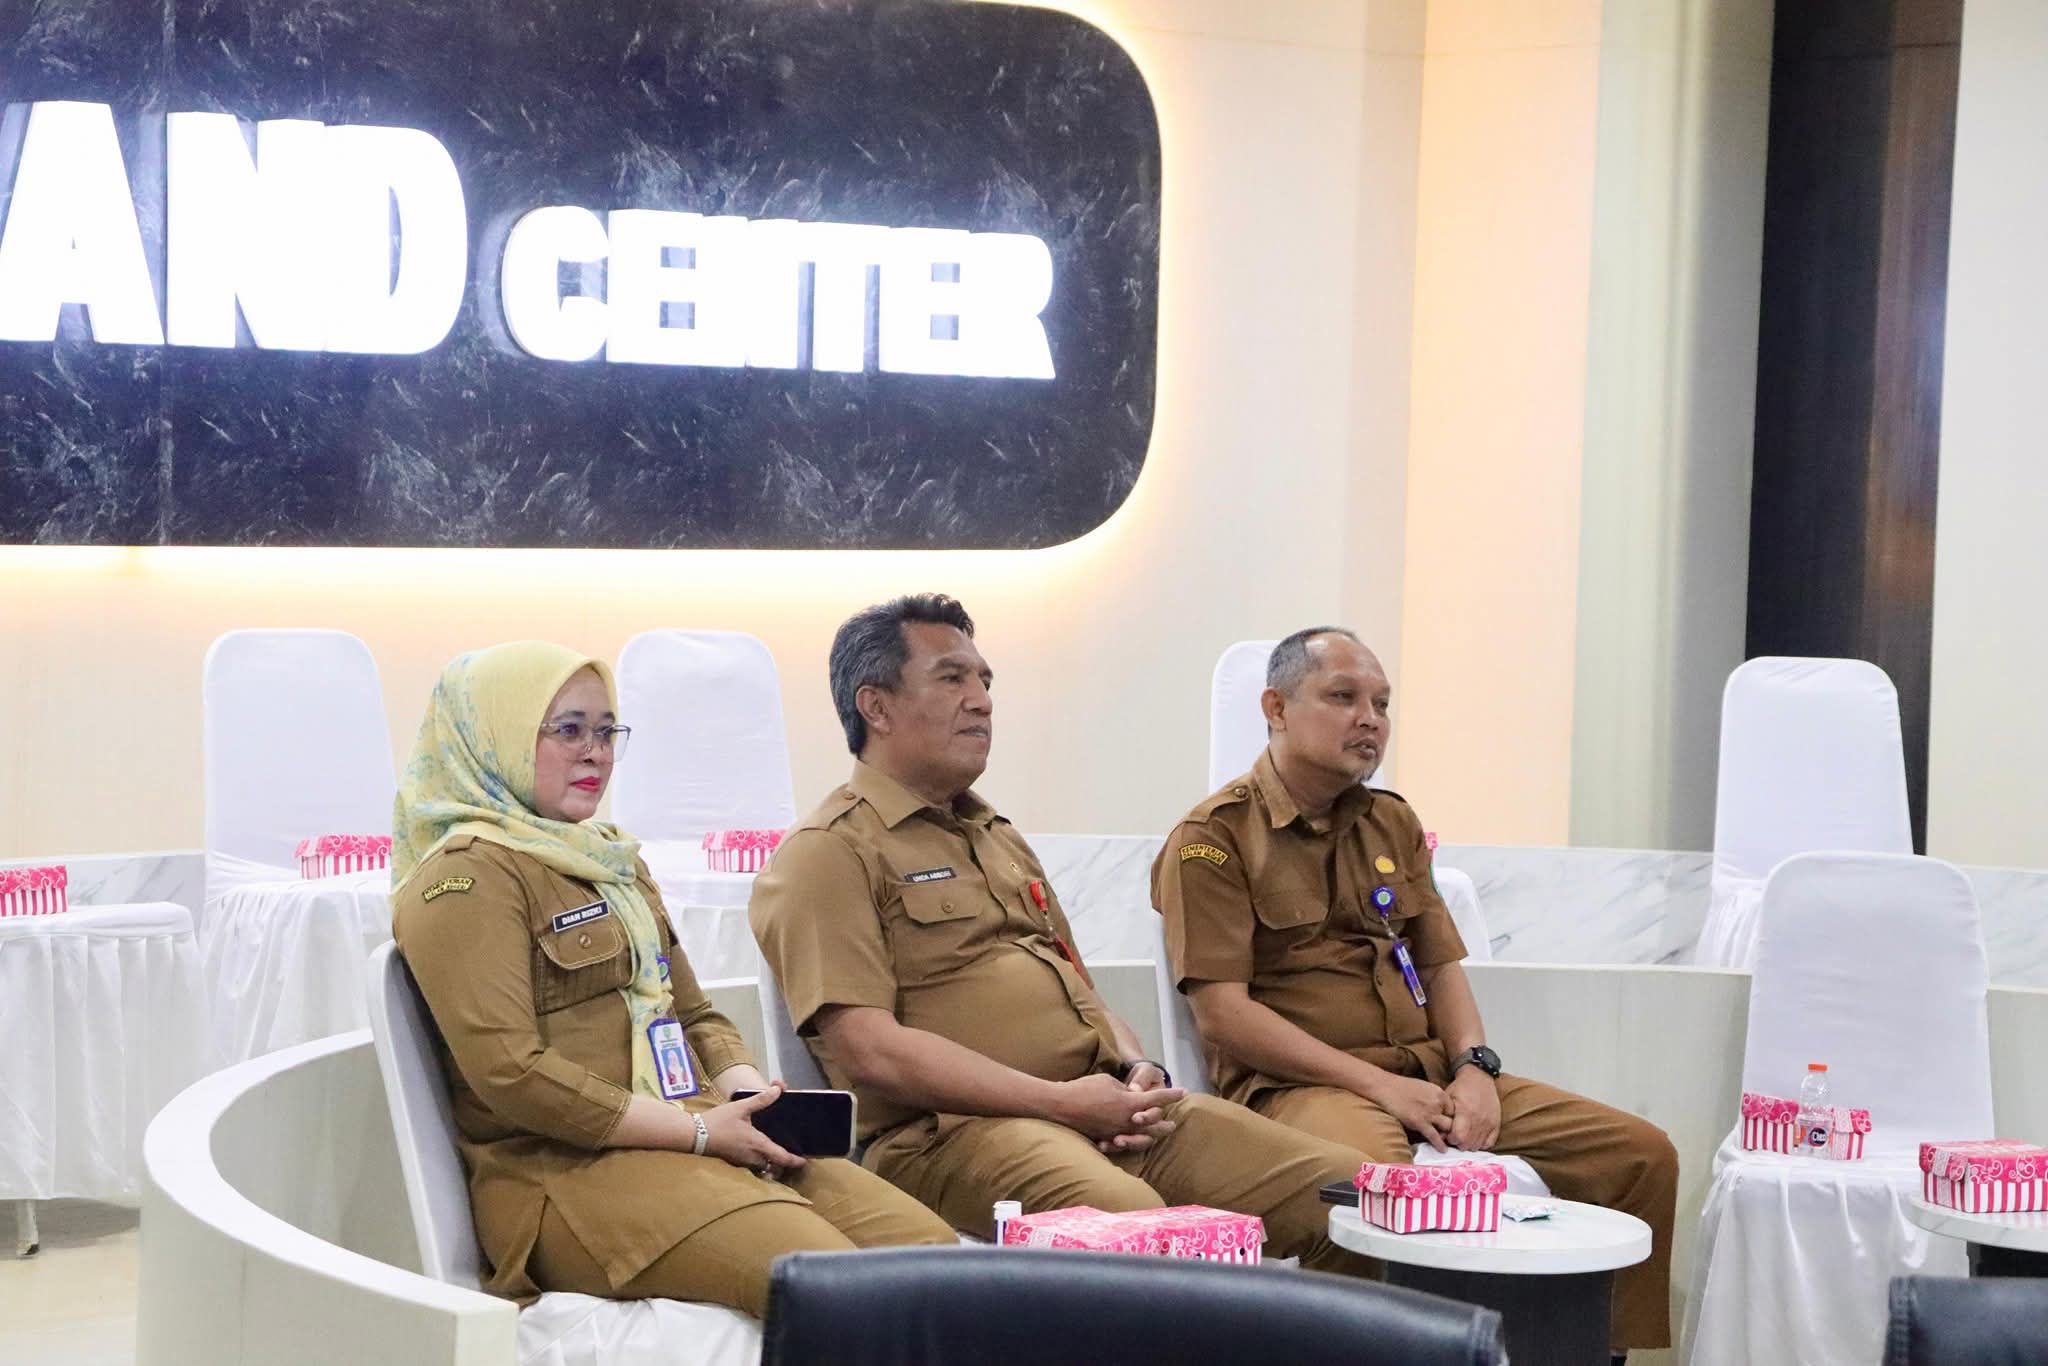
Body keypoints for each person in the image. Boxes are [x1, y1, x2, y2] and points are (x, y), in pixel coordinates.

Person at [749, 595, 1375, 1275]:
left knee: (1347, 1195)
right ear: (876, 706)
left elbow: (1079, 989)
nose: (982, 700)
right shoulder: (828, 851)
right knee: (1136, 1228)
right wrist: (1059, 1103)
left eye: (984, 680)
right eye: (952, 678)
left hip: (1101, 1108)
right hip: (952, 1135)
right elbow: (870, 1051)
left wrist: (1137, 1069)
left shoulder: (997, 837)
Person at [1152, 626, 1680, 1355]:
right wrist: (1381, 1087)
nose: (1370, 720)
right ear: (1276, 709)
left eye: (1382, 704)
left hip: (1428, 1075)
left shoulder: (1392, 822)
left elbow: (1439, 966)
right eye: (1343, 697)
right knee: (1374, 1189)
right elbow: (1223, 1016)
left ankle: (1596, 1353)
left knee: (1640, 1156)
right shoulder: (1213, 838)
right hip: (1302, 1088)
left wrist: (1476, 1069)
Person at [389, 641, 953, 1317]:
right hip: (563, 1176)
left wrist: (748, 1096)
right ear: (493, 738)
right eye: (568, 730)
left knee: (933, 1255)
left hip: (693, 1130)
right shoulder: (464, 879)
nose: (595, 753)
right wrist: (698, 1133)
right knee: (834, 1286)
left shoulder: (612, 862)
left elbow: (694, 1017)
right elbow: (512, 1073)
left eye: (607, 732)